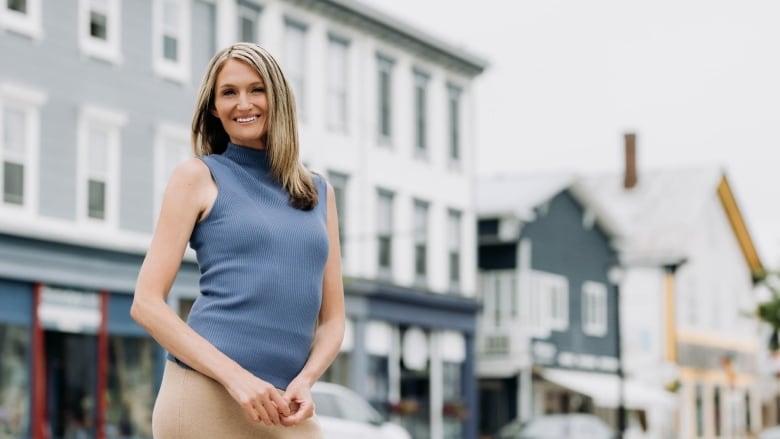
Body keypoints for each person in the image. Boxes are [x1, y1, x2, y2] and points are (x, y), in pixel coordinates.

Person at [131, 42, 345, 439]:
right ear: (213, 108)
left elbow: (332, 319)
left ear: (277, 97)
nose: (243, 103)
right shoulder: (197, 177)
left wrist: (307, 379)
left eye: (256, 89)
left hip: (283, 405)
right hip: (205, 395)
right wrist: (237, 379)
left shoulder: (320, 193)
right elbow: (146, 304)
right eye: (228, 92)